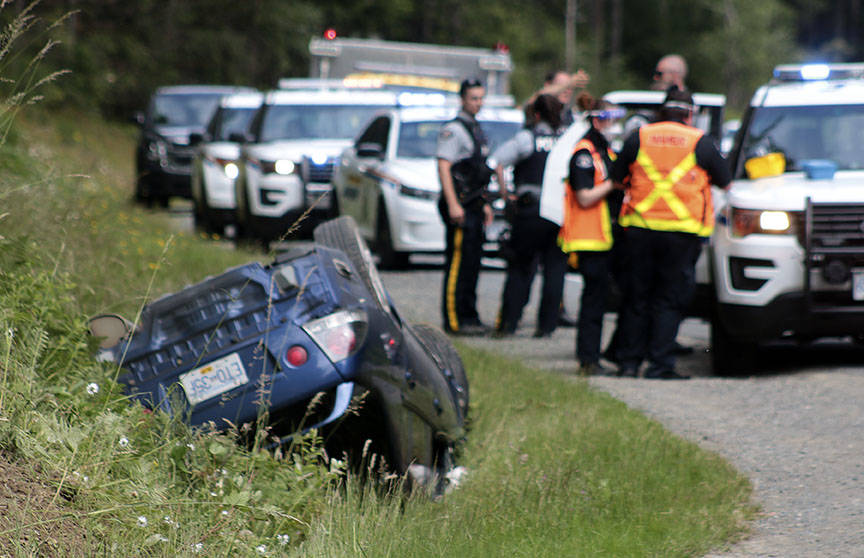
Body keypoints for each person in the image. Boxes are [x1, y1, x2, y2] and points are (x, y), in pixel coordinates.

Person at [611, 86, 731, 380]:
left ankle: (628, 364)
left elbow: (616, 180)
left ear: (662, 111)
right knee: (668, 299)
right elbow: (726, 182)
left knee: (637, 298)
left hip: (639, 231)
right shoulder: (700, 141)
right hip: (681, 235)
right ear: (690, 113)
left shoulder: (639, 136)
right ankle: (660, 365)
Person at [490, 94, 568, 338]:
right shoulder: (566, 139)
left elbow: (498, 162)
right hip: (558, 211)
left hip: (530, 211)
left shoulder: (528, 138)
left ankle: (509, 324)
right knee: (555, 270)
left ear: (536, 115)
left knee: (520, 268)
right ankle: (546, 327)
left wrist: (506, 195)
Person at [559, 93, 624, 375]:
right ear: (598, 119)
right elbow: (585, 197)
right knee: (593, 302)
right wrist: (613, 184)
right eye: (610, 119)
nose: (614, 125)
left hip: (603, 238)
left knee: (599, 300)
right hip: (589, 239)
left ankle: (596, 356)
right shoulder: (584, 153)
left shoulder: (603, 150)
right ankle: (588, 360)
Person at [437, 78, 495, 335]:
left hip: (474, 204)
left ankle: (470, 316)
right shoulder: (454, 129)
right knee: (458, 264)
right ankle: (454, 320)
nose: (478, 103)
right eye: (473, 98)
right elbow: (444, 166)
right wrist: (452, 203)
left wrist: (484, 204)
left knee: (472, 263)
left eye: (481, 98)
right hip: (459, 205)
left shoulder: (476, 128)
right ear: (462, 99)